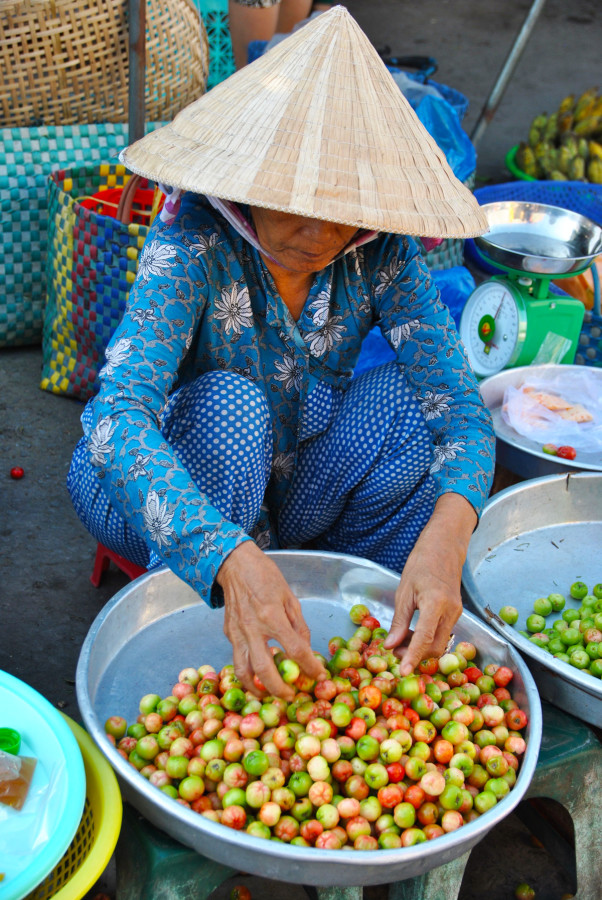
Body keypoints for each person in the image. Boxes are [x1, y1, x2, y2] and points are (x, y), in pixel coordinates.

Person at [68, 7, 495, 701]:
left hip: (292, 482)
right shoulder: (192, 244)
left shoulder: (381, 253)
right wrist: (227, 554)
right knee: (229, 404)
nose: (321, 230)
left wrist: (448, 539)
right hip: (161, 488)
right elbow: (116, 420)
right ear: (250, 178)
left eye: (343, 206)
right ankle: (214, 633)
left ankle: (352, 635)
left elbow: (466, 419)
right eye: (295, 201)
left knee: (404, 403)